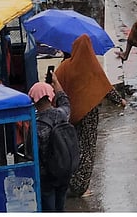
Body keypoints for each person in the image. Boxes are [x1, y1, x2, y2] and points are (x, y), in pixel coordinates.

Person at [55, 35, 127, 199]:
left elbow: (56, 86)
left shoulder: (65, 66)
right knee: (87, 150)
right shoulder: (91, 67)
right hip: (89, 116)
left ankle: (71, 183)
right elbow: (105, 86)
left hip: (69, 115)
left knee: (73, 148)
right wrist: (120, 100)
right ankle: (80, 187)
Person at [31, 73, 73, 212]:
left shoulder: (36, 126)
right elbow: (65, 101)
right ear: (50, 96)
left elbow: (31, 153)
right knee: (60, 207)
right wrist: (56, 83)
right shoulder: (62, 114)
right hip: (63, 171)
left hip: (46, 177)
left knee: (49, 209)